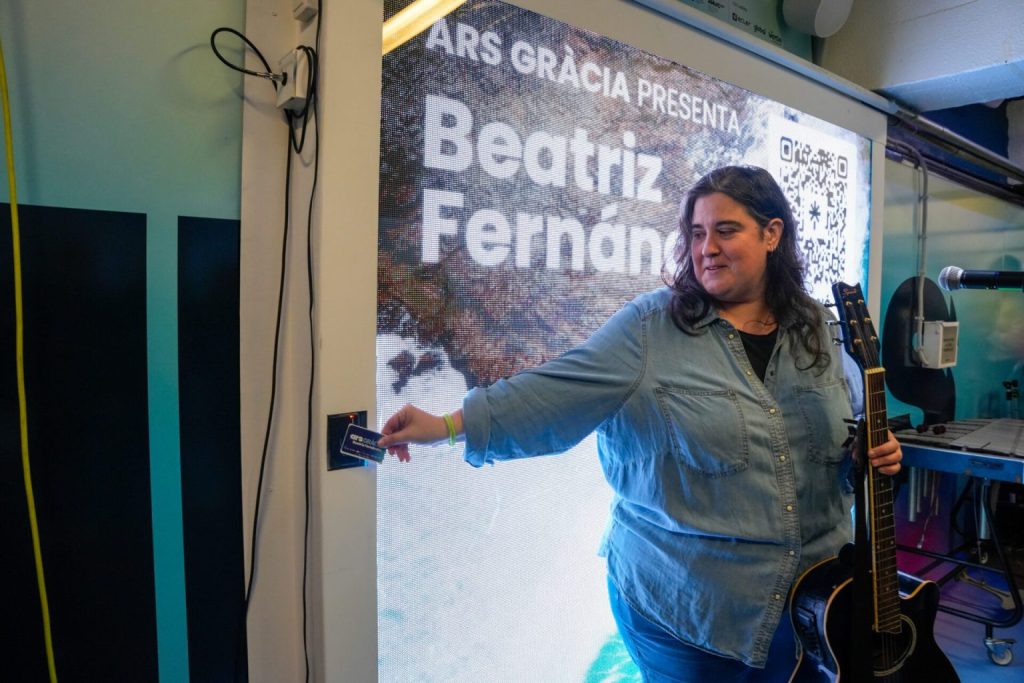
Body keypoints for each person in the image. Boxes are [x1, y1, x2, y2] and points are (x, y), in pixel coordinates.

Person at [378, 165, 902, 682]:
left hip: (814, 607)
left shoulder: (820, 327)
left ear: (772, 234)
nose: (707, 248)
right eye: (697, 234)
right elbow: (557, 391)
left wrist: (868, 455)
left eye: (725, 230)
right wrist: (446, 426)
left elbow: (849, 425)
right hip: (688, 618)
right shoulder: (652, 327)